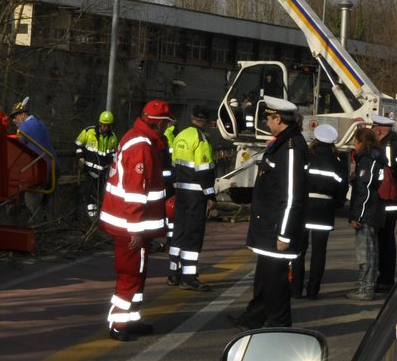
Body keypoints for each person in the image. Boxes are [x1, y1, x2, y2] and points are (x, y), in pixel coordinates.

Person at [227, 97, 307, 329]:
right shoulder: (281, 143)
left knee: (275, 283)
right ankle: (253, 318)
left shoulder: (291, 148)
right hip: (268, 225)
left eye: (269, 118)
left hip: (276, 228)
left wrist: (284, 234)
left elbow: (292, 194)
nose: (267, 122)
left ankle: (280, 327)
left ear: (278, 119)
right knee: (264, 278)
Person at [98, 99, 172, 340]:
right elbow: (135, 192)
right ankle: (119, 322)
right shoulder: (141, 145)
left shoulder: (136, 138)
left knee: (137, 272)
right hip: (131, 226)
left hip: (129, 223)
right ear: (159, 124)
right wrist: (135, 229)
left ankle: (131, 319)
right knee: (130, 274)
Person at [293, 122, 347, 299]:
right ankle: (313, 290)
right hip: (325, 208)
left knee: (299, 250)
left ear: (315, 140)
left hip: (305, 205)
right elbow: (342, 189)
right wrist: (336, 203)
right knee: (319, 251)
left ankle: (295, 288)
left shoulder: (307, 157)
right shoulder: (338, 163)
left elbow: (297, 181)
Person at [167, 105, 218, 291]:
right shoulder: (201, 139)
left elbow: (174, 164)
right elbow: (204, 171)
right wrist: (211, 196)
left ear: (191, 117)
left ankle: (174, 273)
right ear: (204, 121)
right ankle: (188, 277)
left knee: (179, 232)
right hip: (196, 194)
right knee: (193, 235)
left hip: (180, 191)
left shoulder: (180, 136)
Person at [370, 113, 397, 293]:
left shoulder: (386, 147)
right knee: (386, 239)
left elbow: (391, 172)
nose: (372, 130)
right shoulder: (394, 144)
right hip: (393, 198)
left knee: (384, 240)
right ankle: (385, 277)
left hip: (387, 199)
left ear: (379, 130)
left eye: (373, 127)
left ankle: (385, 279)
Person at [346, 127, 385, 302]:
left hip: (367, 212)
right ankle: (367, 285)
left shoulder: (368, 159)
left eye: (355, 141)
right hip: (374, 210)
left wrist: (357, 215)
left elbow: (365, 190)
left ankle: (366, 288)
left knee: (365, 252)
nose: (354, 145)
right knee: (372, 251)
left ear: (361, 141)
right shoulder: (376, 156)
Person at [9, 98, 57, 218]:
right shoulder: (40, 123)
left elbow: (18, 149)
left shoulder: (23, 129)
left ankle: (37, 226)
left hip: (40, 170)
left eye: (15, 116)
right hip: (54, 166)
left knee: (30, 199)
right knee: (45, 204)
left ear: (23, 114)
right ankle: (49, 225)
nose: (14, 120)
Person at [73, 111, 118, 218]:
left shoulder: (113, 138)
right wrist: (80, 158)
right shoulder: (89, 132)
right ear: (99, 123)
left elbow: (114, 155)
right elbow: (78, 144)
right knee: (89, 192)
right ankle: (91, 218)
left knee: (99, 195)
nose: (105, 127)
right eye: (103, 125)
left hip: (103, 173)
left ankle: (98, 217)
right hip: (89, 170)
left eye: (107, 126)